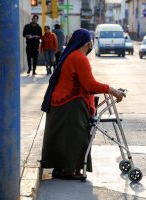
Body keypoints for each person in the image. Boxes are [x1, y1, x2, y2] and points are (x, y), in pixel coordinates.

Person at [40, 28, 126, 180]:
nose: (91, 46)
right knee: (76, 136)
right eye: (91, 43)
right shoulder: (79, 58)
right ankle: (69, 171)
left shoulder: (70, 56)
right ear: (87, 43)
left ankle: (62, 168)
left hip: (62, 103)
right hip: (70, 104)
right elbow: (90, 85)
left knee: (63, 137)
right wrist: (113, 91)